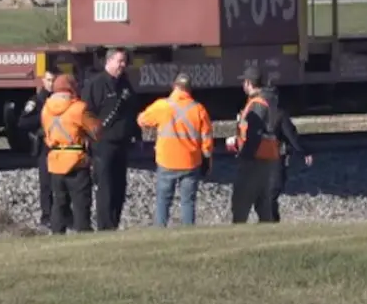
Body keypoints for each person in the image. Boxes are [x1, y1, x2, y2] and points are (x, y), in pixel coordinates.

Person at [136, 72, 213, 227]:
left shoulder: (162, 106)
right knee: (188, 202)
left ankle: (160, 232)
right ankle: (188, 233)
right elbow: (207, 140)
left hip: (167, 161)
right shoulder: (199, 109)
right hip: (191, 163)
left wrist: (141, 117)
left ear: (174, 87)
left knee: (163, 200)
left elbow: (142, 120)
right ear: (189, 90)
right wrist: (207, 160)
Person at [81, 48, 139, 231]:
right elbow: (86, 112)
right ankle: (105, 226)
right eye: (120, 61)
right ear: (109, 61)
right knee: (105, 187)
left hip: (122, 143)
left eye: (124, 62)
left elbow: (132, 110)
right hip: (103, 144)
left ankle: (114, 223)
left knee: (119, 186)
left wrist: (136, 134)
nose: (123, 65)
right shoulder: (96, 84)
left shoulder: (125, 84)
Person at [41, 74, 102, 234]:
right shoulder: (79, 108)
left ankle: (57, 233)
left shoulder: (46, 109)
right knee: (81, 202)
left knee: (59, 202)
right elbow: (96, 131)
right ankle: (83, 232)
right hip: (77, 162)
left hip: (55, 161)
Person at [226, 66, 282, 223]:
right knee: (262, 200)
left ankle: (238, 233)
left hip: (256, 158)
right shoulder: (267, 101)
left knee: (241, 200)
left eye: (244, 81)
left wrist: (245, 155)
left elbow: (254, 133)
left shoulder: (257, 104)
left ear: (249, 83)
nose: (243, 85)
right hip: (268, 156)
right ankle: (268, 232)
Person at [17, 67, 71, 228]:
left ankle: (65, 214)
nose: (51, 84)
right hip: (44, 146)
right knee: (46, 183)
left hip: (62, 145)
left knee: (65, 181)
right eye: (48, 80)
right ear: (43, 81)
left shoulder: (64, 99)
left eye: (54, 81)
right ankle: (46, 216)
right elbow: (22, 122)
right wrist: (43, 120)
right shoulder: (37, 101)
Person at [259, 76, 313, 223]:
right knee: (273, 189)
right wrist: (305, 151)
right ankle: (271, 220)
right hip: (275, 157)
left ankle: (268, 219)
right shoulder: (280, 115)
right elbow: (292, 136)